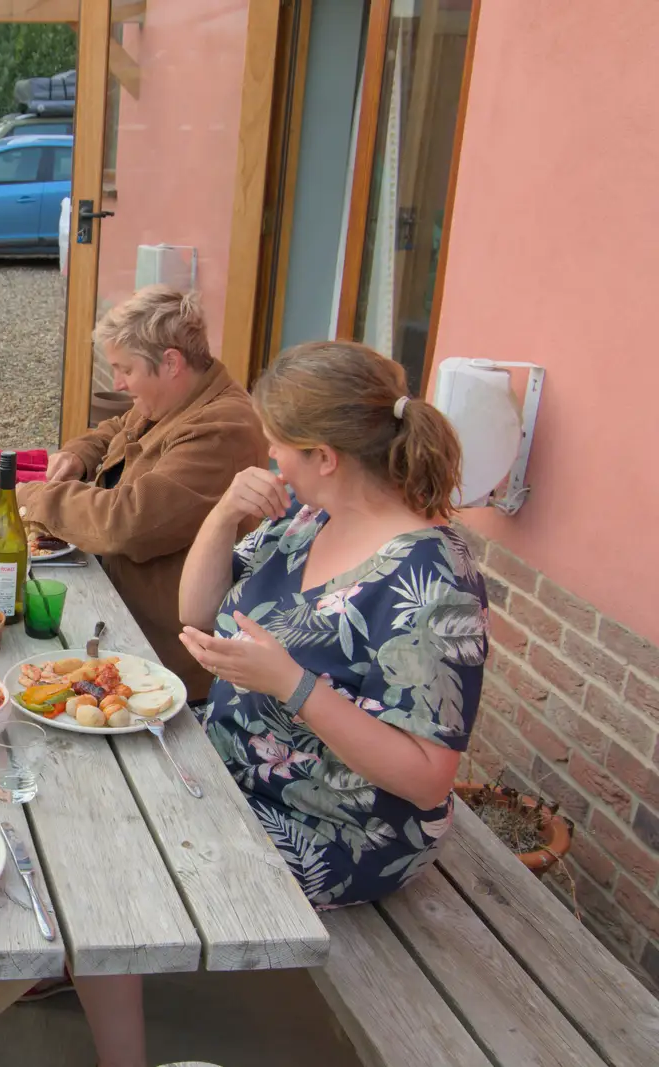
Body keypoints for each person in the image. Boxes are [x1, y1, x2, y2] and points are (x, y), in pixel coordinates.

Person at [180, 339, 488, 905]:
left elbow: (427, 778)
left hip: (334, 828)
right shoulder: (306, 517)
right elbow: (196, 615)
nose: (271, 455)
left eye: (279, 444)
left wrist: (292, 684)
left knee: (127, 858)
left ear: (324, 456)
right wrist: (225, 514)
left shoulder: (434, 578)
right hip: (227, 762)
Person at [16, 286, 267, 700]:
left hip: (159, 656)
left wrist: (33, 498)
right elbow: (121, 427)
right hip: (114, 605)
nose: (118, 383)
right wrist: (80, 454)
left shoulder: (223, 430)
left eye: (125, 370)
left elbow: (127, 522)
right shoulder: (180, 396)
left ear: (171, 362)